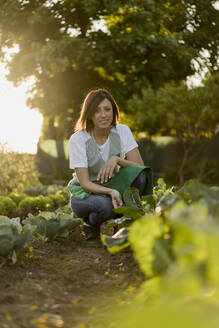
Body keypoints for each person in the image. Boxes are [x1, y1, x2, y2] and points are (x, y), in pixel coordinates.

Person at [67, 88, 152, 242]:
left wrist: (117, 160)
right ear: (89, 114)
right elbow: (85, 183)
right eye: (97, 110)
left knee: (140, 176)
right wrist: (111, 191)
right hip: (86, 194)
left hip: (114, 184)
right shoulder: (78, 139)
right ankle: (90, 224)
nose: (104, 114)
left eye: (107, 109)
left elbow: (139, 167)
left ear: (114, 111)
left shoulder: (122, 131)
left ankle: (122, 225)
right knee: (105, 206)